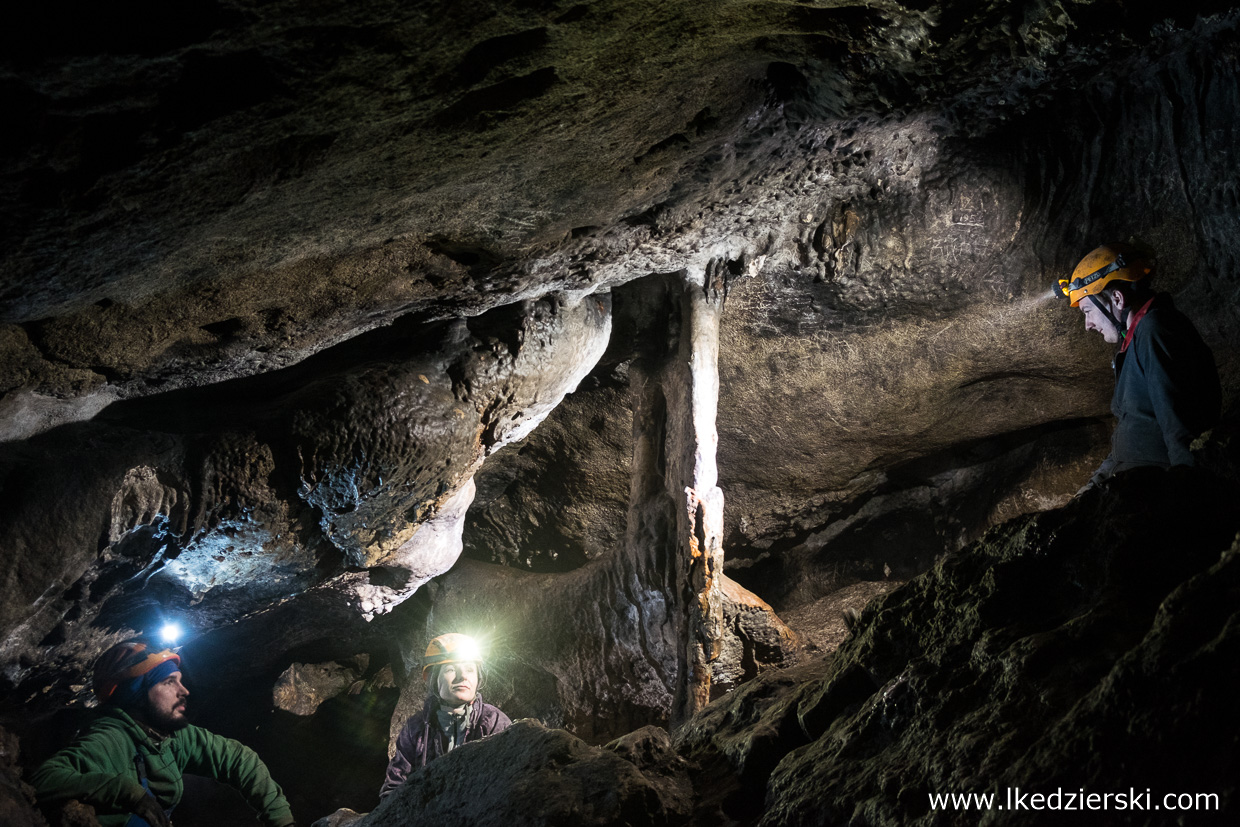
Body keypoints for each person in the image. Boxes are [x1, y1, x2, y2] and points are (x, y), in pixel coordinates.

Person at [32, 641, 295, 827]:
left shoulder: (169, 735)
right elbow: (44, 779)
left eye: (179, 680)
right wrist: (127, 792)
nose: (184, 691)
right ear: (135, 694)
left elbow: (239, 760)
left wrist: (282, 822)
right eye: (169, 682)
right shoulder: (111, 738)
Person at [1057, 242, 1221, 489]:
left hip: (1156, 492)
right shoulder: (1136, 341)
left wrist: (1188, 489)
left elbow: (1180, 430)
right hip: (1134, 487)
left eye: (1088, 311)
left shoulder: (1155, 331)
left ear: (1117, 298)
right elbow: (1132, 433)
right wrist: (1091, 489)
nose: (1087, 325)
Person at [379, 633, 511, 799]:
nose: (462, 676)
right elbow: (393, 788)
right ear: (435, 680)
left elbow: (511, 782)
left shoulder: (493, 721)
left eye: (470, 669)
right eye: (450, 669)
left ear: (478, 679)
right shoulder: (416, 728)